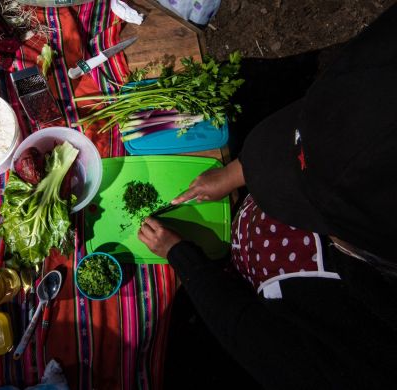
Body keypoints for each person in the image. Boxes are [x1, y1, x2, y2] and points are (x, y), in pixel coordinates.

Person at [138, 4, 397, 389]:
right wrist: (236, 173)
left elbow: (243, 327)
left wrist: (185, 260)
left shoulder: (354, 360)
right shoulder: (382, 74)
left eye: (309, 200)